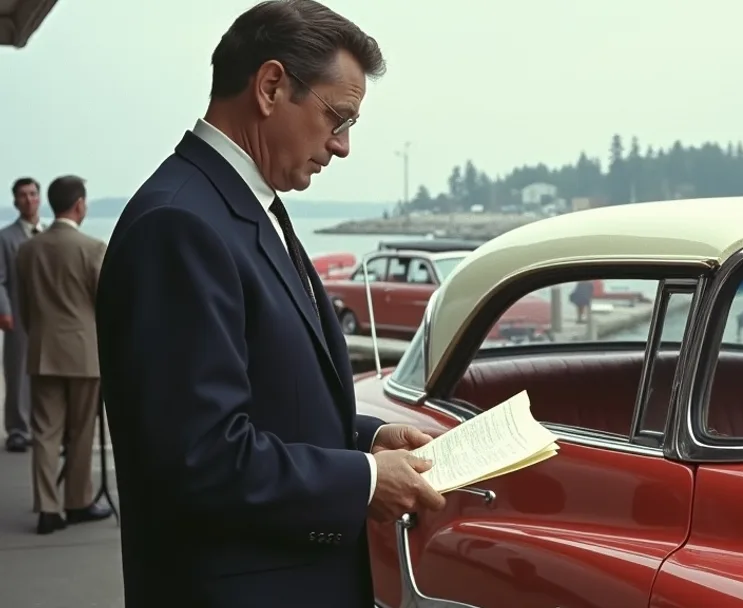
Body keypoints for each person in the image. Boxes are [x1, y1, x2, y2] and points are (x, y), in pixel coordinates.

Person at [95, 2, 445, 606]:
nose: (343, 145)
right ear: (271, 86)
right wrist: (365, 481)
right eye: (337, 117)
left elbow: (273, 405)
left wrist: (366, 440)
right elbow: (200, 456)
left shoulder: (238, 205)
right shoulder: (179, 224)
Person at [16, 175, 113, 534]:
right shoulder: (92, 248)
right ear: (79, 204)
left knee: (45, 432)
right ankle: (77, 501)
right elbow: (105, 304)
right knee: (81, 431)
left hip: (43, 350)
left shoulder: (29, 249)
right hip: (83, 353)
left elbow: (25, 306)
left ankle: (48, 508)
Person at [0, 177, 44, 453]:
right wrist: (4, 311)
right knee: (17, 374)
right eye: (23, 195)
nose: (28, 199)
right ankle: (17, 429)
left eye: (32, 194)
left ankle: (44, 428)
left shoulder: (48, 233)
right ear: (15, 201)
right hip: (18, 313)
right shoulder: (5, 237)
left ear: (39, 198)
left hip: (48, 318)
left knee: (47, 376)